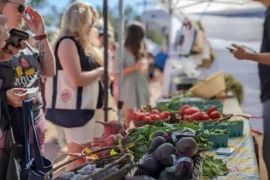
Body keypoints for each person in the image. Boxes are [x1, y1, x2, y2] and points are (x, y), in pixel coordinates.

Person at [45, 2, 106, 170]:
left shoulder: (81, 43)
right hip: (76, 108)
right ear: (83, 21)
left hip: (87, 107)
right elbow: (76, 79)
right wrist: (101, 71)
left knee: (86, 154)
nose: (93, 26)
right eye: (91, 22)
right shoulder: (67, 42)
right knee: (78, 157)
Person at [0, 0, 55, 155]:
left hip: (35, 122)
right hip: (8, 131)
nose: (23, 13)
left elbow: (49, 71)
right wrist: (6, 97)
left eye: (26, 8)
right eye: (20, 7)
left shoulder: (25, 42)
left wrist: (41, 34)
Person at [116, 22, 150, 128]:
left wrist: (145, 65)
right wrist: (134, 67)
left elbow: (144, 65)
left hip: (142, 83)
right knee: (128, 114)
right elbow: (117, 72)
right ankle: (125, 133)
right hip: (129, 85)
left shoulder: (142, 46)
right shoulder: (122, 49)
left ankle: (143, 133)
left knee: (144, 111)